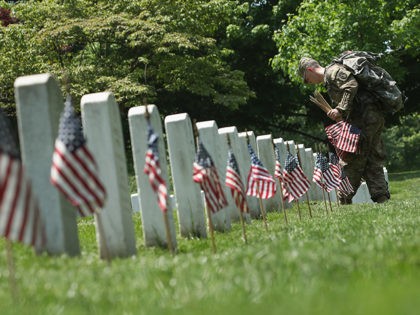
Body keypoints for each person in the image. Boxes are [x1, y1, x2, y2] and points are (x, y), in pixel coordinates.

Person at [298, 55, 390, 204]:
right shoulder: (330, 77)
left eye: (306, 78)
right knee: (371, 156)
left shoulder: (332, 72)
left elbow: (351, 85)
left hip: (366, 119)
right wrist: (341, 114)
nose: (308, 82)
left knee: (351, 157)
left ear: (310, 70)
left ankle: (344, 199)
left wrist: (340, 109)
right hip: (369, 118)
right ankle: (382, 198)